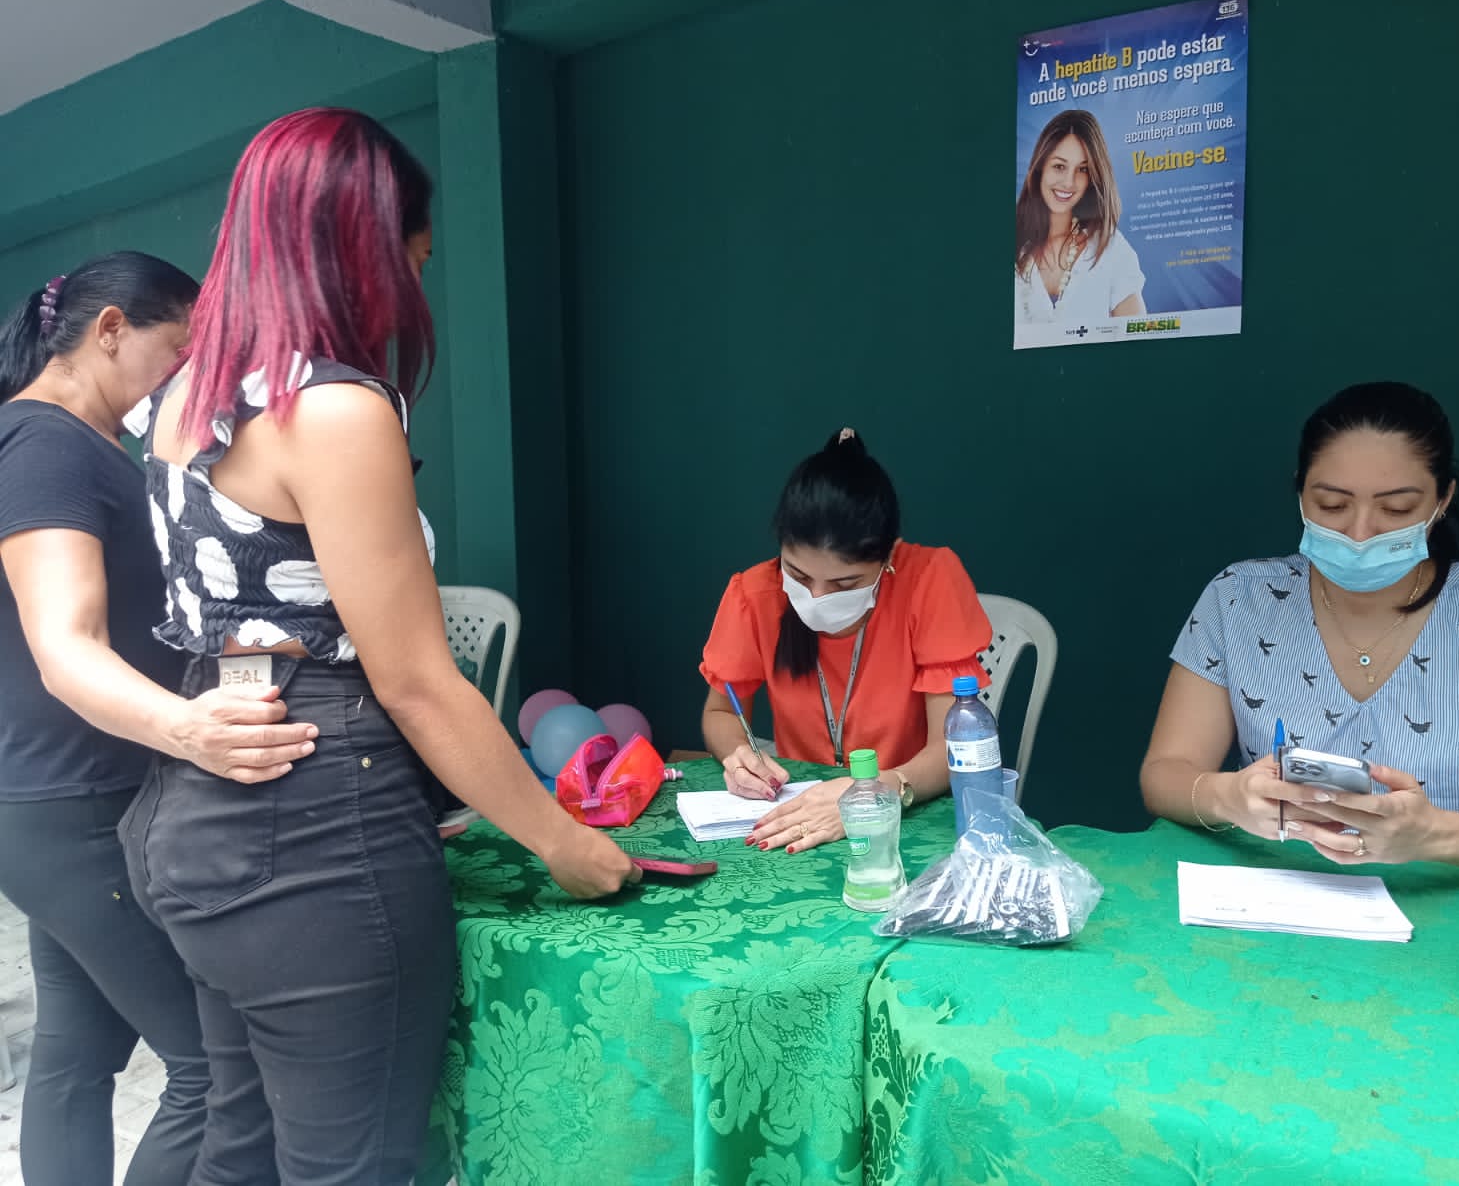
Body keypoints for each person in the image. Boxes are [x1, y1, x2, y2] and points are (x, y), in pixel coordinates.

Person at [121, 107, 638, 1184]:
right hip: (317, 831)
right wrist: (561, 841)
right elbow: (414, 678)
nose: (418, 283)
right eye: (413, 255)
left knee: (243, 1141)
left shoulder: (180, 400)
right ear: (364, 246)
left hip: (194, 814)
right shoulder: (334, 409)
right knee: (352, 1164)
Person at [0, 252, 319, 1185]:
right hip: (75, 804)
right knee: (214, 1071)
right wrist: (191, 730)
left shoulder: (82, 445)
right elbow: (66, 646)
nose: (187, 375)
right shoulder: (47, 444)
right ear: (108, 332)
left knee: (75, 1050)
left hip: (47, 801)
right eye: (176, 351)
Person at [1140, 382, 1459, 874]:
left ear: (1443, 500)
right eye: (1332, 505)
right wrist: (1226, 797)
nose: (1360, 533)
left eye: (1396, 509)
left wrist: (1434, 836)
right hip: (1278, 895)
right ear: (1301, 493)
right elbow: (1166, 774)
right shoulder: (1240, 598)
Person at [699, 428, 993, 853]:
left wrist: (881, 790)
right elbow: (721, 711)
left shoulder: (930, 579)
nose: (816, 598)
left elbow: (951, 747)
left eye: (845, 583)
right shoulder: (754, 595)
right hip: (801, 815)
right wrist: (738, 755)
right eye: (798, 576)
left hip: (909, 810)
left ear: (889, 555)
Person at [1014, 108, 1146, 342]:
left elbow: (1138, 342)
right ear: (1039, 169)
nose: (1068, 182)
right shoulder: (1014, 246)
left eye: (1082, 169)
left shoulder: (1111, 249)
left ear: (1093, 177)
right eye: (1059, 166)